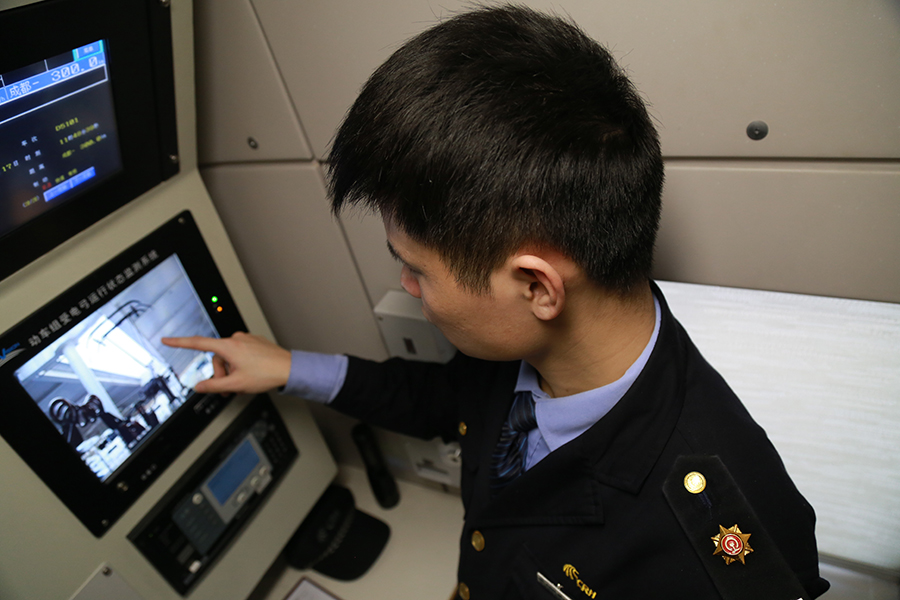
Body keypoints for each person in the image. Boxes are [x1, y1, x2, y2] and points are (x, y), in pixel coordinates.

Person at [165, 5, 829, 599]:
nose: (407, 286)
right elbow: (450, 403)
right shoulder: (529, 352)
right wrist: (288, 367)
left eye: (416, 267)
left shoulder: (715, 546)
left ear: (536, 286)